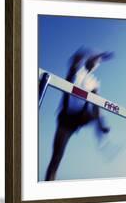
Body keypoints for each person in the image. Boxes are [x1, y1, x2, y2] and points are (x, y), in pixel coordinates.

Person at [45, 48, 114, 181]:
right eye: (93, 60)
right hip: (66, 117)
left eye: (97, 62)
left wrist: (101, 123)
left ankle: (102, 138)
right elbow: (77, 57)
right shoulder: (78, 70)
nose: (95, 63)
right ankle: (49, 184)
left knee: (96, 107)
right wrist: (99, 54)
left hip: (80, 117)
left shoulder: (94, 81)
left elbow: (96, 103)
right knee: (57, 157)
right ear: (88, 60)